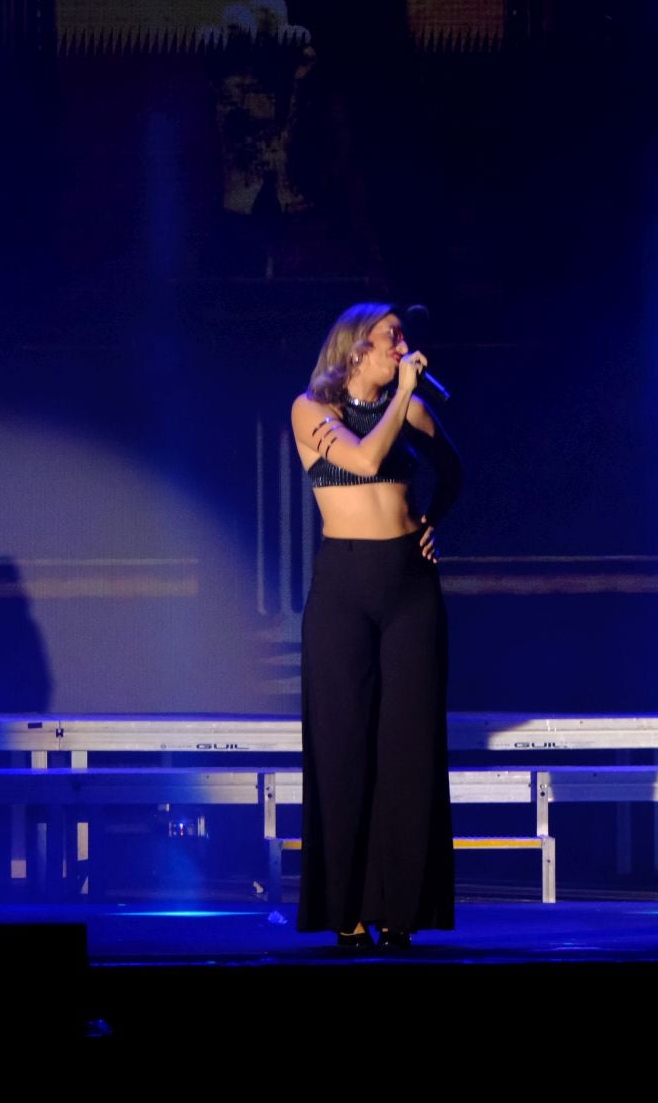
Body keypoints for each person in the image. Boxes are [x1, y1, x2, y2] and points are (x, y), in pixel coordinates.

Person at [291, 303, 462, 948]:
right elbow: (362, 462)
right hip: (344, 584)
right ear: (355, 348)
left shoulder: (411, 409)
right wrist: (405, 400)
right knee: (343, 744)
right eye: (392, 336)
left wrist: (433, 522)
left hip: (409, 585)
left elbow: (456, 471)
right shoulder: (312, 409)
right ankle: (346, 907)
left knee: (408, 746)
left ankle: (401, 908)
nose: (403, 345)